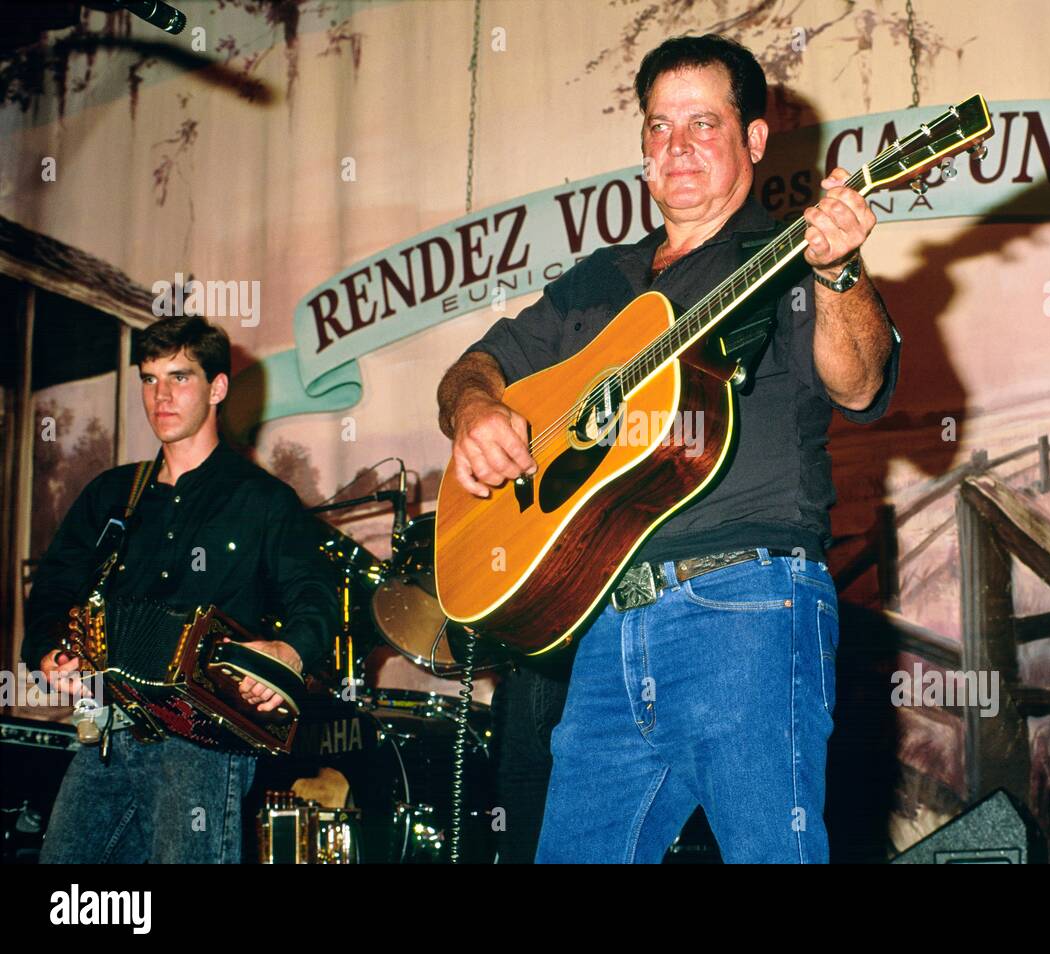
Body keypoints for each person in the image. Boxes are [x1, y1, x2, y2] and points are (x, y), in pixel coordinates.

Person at [437, 33, 901, 863]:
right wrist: (476, 409)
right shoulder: (600, 281)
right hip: (609, 625)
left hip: (750, 608)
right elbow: (478, 366)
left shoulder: (784, 258)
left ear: (754, 140)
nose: (676, 146)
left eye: (702, 123)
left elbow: (860, 383)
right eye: (658, 127)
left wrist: (839, 273)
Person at [24, 315, 340, 864]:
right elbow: (54, 588)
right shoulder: (112, 494)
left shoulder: (263, 500)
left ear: (217, 387)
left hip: (203, 741)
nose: (160, 395)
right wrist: (50, 653)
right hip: (106, 728)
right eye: (149, 379)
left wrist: (287, 654)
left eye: (179, 377)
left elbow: (316, 594)